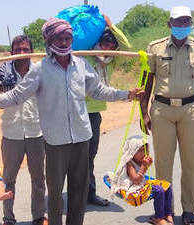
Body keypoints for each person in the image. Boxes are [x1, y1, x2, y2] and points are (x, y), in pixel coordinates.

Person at [0, 18, 144, 225]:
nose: (64, 42)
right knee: (55, 194)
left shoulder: (81, 65)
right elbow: (15, 96)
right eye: (59, 38)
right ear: (49, 40)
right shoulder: (40, 70)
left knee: (79, 191)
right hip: (55, 142)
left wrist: (126, 94)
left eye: (67, 38)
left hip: (81, 138)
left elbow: (99, 90)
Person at [140, 6, 194, 225]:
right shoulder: (155, 48)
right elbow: (146, 82)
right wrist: (143, 113)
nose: (183, 26)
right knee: (163, 164)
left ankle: (189, 211)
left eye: (186, 22)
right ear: (169, 24)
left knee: (192, 164)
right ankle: (164, 211)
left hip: (192, 111)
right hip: (162, 111)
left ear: (190, 23)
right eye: (178, 22)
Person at [0, 35, 48, 225]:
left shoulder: (40, 72)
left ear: (32, 52)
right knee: (9, 179)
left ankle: (39, 216)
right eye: (18, 50)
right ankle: (8, 218)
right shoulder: (2, 75)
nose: (22, 53)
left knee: (38, 178)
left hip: (36, 132)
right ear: (11, 53)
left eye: (26, 49)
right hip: (11, 134)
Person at [85, 14, 132, 207]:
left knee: (90, 156)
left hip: (94, 113)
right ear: (98, 42)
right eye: (104, 43)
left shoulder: (111, 61)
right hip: (76, 111)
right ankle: (77, 195)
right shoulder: (85, 55)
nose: (107, 48)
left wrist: (111, 25)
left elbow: (127, 47)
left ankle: (89, 194)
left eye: (111, 46)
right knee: (75, 157)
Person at [108, 136, 173, 225]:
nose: (143, 153)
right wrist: (143, 166)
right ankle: (158, 218)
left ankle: (168, 213)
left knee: (167, 186)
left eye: (145, 150)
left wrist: (146, 165)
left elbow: (142, 175)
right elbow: (136, 180)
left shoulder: (140, 160)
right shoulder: (129, 164)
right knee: (159, 190)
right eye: (140, 150)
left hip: (141, 183)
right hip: (134, 188)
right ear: (132, 152)